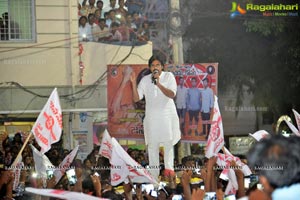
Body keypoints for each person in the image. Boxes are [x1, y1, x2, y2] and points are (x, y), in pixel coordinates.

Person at [130, 54, 181, 179]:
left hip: (167, 115)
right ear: (149, 68)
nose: (155, 67)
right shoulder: (145, 80)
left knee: (168, 142)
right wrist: (132, 83)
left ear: (162, 66)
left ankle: (169, 170)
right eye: (152, 65)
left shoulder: (169, 76)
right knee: (152, 145)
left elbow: (172, 94)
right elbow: (137, 98)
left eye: (157, 65)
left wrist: (158, 84)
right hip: (152, 116)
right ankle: (154, 174)